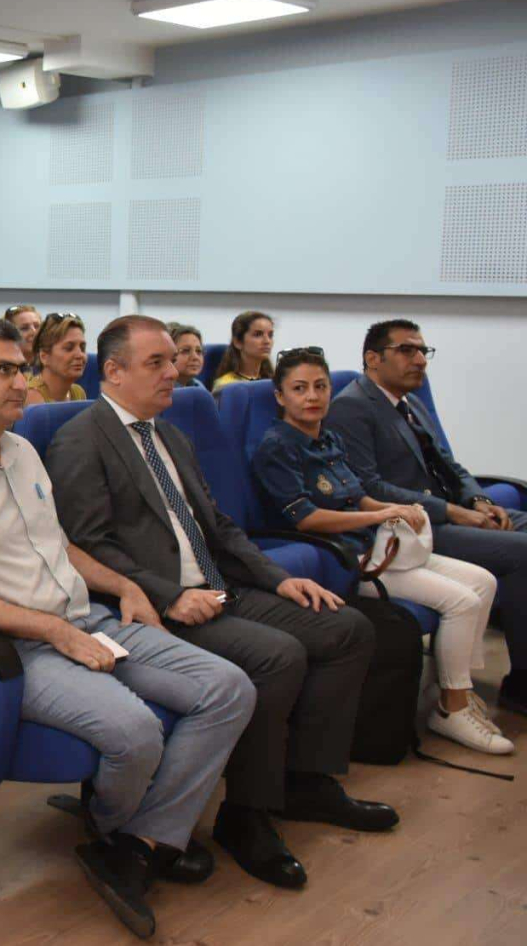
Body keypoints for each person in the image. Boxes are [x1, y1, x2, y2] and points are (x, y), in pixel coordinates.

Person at [0, 318, 255, 939]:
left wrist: (126, 585)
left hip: (88, 617)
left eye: (20, 368)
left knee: (230, 689)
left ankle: (137, 842)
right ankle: (120, 831)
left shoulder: (22, 450)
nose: (20, 382)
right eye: (3, 370)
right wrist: (58, 634)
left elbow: (59, 545)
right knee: (135, 732)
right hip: (20, 648)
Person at [46, 315, 395, 892]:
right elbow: (88, 545)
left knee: (346, 629)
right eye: (156, 363)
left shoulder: (169, 433)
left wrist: (278, 579)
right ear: (113, 371)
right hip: (161, 607)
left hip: (218, 587)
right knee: (278, 656)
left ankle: (305, 782)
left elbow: (220, 526)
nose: (173, 373)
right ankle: (245, 814)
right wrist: (170, 595)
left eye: (171, 360)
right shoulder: (82, 439)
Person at [255, 347, 509, 754]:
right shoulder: (277, 446)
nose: (312, 396)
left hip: (379, 546)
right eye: (299, 388)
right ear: (280, 396)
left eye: (320, 386)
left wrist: (395, 510)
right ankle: (453, 710)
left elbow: (358, 496)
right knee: (462, 601)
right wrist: (378, 515)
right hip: (345, 559)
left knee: (483, 581)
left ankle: (452, 691)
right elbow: (306, 518)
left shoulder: (328, 437)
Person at [328, 318, 527, 717]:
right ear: (373, 358)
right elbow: (370, 487)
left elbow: (450, 464)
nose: (419, 360)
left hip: (450, 511)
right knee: (522, 552)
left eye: (422, 351)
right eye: (407, 350)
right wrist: (453, 511)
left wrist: (478, 500)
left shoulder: (410, 401)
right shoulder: (351, 407)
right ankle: (522, 682)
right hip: (415, 527)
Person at [25, 313, 88, 405]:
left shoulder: (78, 392)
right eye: (69, 348)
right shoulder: (32, 396)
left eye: (82, 348)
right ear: (44, 357)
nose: (80, 355)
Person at [211, 311, 275, 392]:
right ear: (238, 342)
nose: (267, 341)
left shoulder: (276, 382)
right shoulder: (225, 386)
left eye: (270, 335)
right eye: (258, 334)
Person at [168, 324, 205, 388]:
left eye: (199, 351)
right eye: (186, 350)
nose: (195, 357)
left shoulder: (198, 385)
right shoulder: (160, 390)